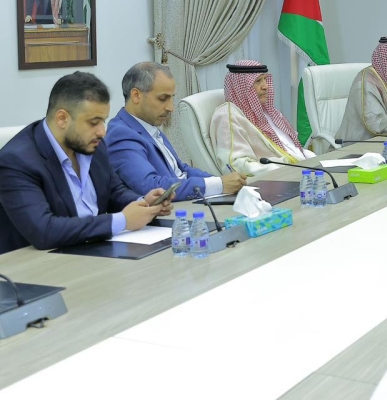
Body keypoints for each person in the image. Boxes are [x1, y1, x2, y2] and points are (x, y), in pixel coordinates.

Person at [0, 72, 172, 255]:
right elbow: (44, 231)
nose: (102, 132)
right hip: (40, 263)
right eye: (93, 122)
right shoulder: (16, 162)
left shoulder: (93, 145)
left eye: (103, 121)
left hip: (93, 251)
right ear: (62, 118)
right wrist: (122, 221)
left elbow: (114, 191)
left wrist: (142, 203)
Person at [107, 62, 247, 202]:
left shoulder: (148, 126)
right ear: (136, 95)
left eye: (171, 98)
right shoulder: (121, 134)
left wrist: (222, 181)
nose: (171, 108)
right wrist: (218, 185)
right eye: (163, 99)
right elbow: (150, 187)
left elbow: (180, 171)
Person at [211, 60, 316, 175]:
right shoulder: (228, 117)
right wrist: (284, 165)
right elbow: (235, 165)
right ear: (241, 87)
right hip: (277, 178)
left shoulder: (267, 112)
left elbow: (288, 148)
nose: (266, 86)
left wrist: (309, 157)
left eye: (265, 79)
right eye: (258, 81)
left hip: (301, 170)